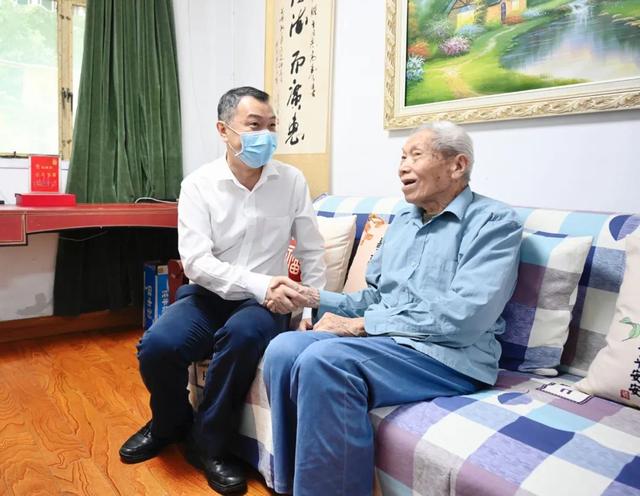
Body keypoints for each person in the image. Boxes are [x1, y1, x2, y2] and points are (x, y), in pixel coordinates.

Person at [262, 121, 524, 495]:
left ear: (457, 165)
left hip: (451, 356)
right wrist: (314, 298)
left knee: (326, 362)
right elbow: (376, 298)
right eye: (401, 157)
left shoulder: (494, 222)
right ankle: (291, 487)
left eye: (415, 155)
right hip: (393, 343)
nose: (402, 167)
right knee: (284, 349)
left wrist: (359, 325)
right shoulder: (402, 222)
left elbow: (464, 318)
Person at [119, 86, 326, 495]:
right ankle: (168, 423)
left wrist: (310, 312)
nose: (266, 136)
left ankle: (209, 445)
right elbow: (197, 262)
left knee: (243, 335)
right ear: (223, 130)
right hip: (210, 295)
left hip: (264, 304)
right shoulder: (199, 185)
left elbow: (311, 250)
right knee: (158, 347)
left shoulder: (291, 181)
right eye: (254, 125)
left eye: (272, 126)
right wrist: (260, 284)